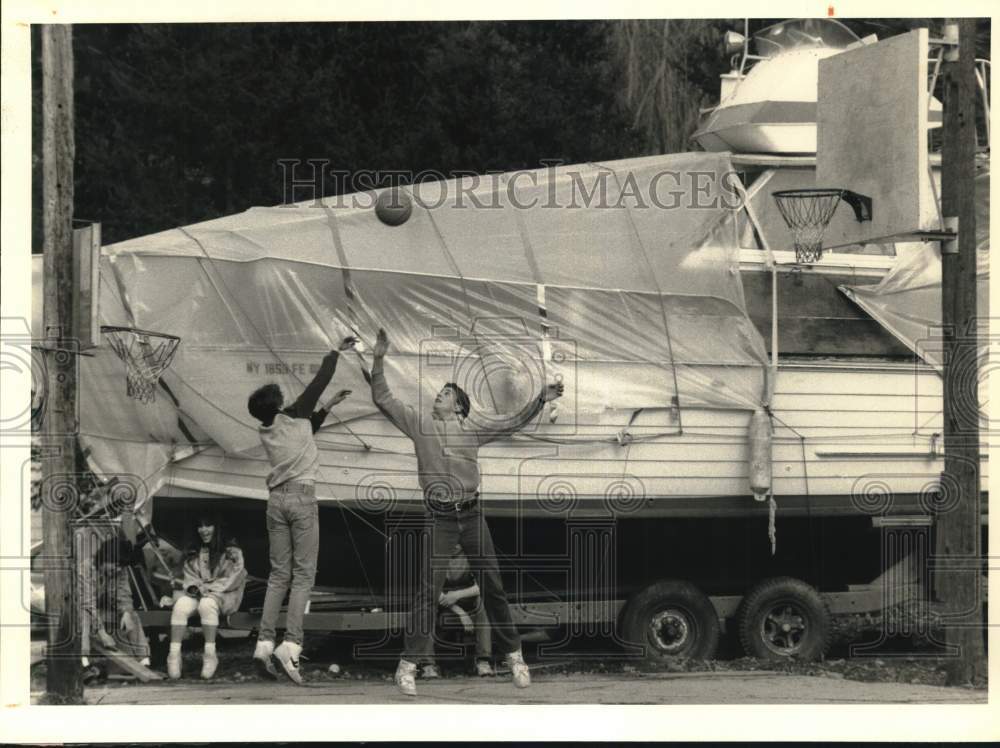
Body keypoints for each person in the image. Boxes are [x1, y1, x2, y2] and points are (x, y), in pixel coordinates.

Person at [370, 327, 563, 696]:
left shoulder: (473, 432)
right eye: (439, 393)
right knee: (428, 591)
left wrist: (541, 399)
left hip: (472, 516)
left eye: (444, 394)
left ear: (458, 405)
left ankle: (515, 659)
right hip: (440, 518)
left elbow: (511, 422)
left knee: (493, 586)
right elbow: (382, 397)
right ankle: (408, 666)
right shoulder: (419, 423)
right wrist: (378, 357)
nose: (437, 397)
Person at [246, 337, 356, 684]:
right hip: (301, 499)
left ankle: (264, 644)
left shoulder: (269, 428)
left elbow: (305, 430)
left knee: (279, 575)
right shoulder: (294, 415)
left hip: (275, 500)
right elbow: (319, 380)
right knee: (304, 576)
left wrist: (327, 408)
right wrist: (335, 351)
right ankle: (291, 646)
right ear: (278, 405)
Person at [166, 516, 247, 680]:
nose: (204, 530)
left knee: (206, 604)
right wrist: (195, 588)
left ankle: (210, 655)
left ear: (217, 527)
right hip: (200, 593)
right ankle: (174, 655)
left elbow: (234, 576)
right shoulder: (194, 550)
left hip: (225, 594)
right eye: (199, 526)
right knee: (181, 605)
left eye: (208, 525)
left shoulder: (231, 551)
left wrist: (208, 589)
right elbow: (190, 576)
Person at [420, 544, 495, 679]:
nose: (454, 544)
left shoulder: (472, 555)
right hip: (444, 603)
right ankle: (428, 665)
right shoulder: (435, 556)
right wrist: (460, 613)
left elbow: (483, 585)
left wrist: (457, 595)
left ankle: (483, 661)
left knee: (483, 602)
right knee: (427, 606)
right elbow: (432, 590)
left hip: (466, 599)